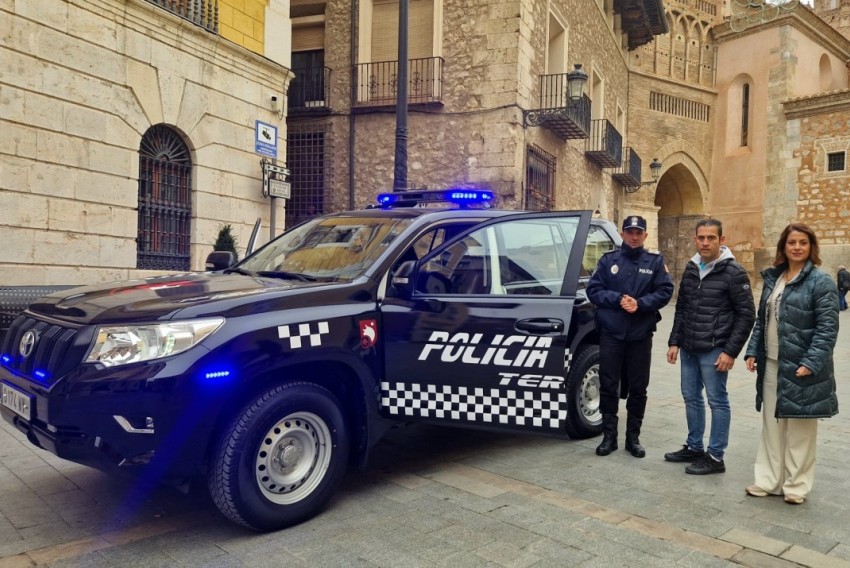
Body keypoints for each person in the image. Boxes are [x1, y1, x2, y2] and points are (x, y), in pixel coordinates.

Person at [744, 223, 839, 505]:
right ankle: (768, 480)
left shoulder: (820, 282)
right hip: (771, 364)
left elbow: (827, 328)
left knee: (800, 428)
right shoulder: (774, 279)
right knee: (772, 426)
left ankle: (796, 486)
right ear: (783, 247)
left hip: (802, 367)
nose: (797, 247)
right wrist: (752, 351)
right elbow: (763, 320)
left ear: (811, 248)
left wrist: (812, 361)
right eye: (792, 242)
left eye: (803, 243)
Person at [665, 219, 755, 475]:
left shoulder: (734, 272)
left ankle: (715, 456)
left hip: (715, 349)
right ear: (695, 239)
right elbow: (681, 308)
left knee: (717, 401)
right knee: (691, 397)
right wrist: (674, 341)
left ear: (721, 240)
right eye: (701, 238)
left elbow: (747, 314)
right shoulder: (692, 268)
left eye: (711, 238)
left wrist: (730, 351)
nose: (705, 242)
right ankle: (694, 447)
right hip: (689, 347)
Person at [587, 215, 674, 458]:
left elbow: (665, 290)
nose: (634, 237)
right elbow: (593, 290)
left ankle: (633, 438)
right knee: (608, 384)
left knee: (638, 387)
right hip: (612, 333)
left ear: (645, 235)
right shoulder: (608, 260)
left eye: (639, 232)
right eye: (630, 232)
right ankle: (609, 437)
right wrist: (617, 299)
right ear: (623, 234)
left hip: (640, 334)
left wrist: (641, 303)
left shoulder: (655, 262)